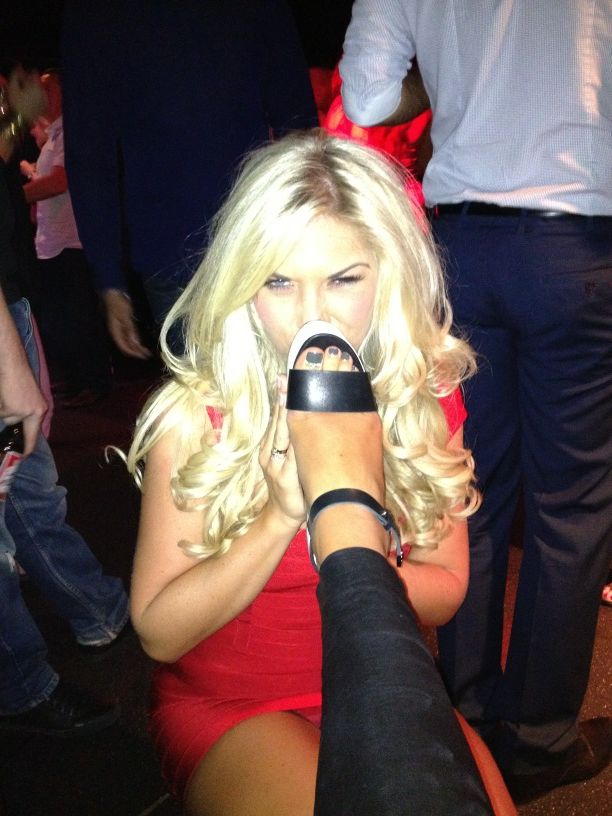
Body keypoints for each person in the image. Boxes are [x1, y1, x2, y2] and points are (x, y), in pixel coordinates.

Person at [126, 130, 491, 814]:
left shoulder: (426, 397)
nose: (312, 314)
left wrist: (351, 536)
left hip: (385, 675)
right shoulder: (200, 413)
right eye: (279, 281)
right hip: (235, 706)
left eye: (344, 279)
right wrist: (283, 514)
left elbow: (447, 589)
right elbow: (157, 630)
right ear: (244, 283)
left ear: (388, 274)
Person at [339, 0, 612, 804]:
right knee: (571, 507)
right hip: (579, 239)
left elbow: (365, 96)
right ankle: (534, 740)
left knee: (468, 487)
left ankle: (463, 714)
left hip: (461, 246)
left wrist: (445, 79)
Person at [61, 0, 319, 358]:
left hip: (253, 241)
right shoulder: (94, 15)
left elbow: (299, 128)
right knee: (230, 385)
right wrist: (108, 279)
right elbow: (89, 153)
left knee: (273, 380)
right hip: (193, 252)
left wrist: (109, 279)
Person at [0, 70, 129, 737]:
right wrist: (11, 368)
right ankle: (22, 684)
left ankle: (95, 608)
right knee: (21, 492)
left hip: (12, 298)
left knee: (26, 488)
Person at [22, 70, 112, 409]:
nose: (41, 95)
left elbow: (60, 182)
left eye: (48, 89)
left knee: (80, 315)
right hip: (54, 241)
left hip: (71, 240)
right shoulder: (53, 136)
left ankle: (94, 381)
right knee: (64, 316)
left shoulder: (69, 132)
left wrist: (15, 195)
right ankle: (77, 380)